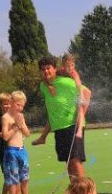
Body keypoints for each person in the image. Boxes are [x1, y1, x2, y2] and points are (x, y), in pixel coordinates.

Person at [31, 56, 86, 184]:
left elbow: (86, 93)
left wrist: (81, 115)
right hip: (58, 128)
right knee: (68, 162)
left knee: (75, 161)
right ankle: (75, 191)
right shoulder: (43, 86)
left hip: (72, 126)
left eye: (48, 68)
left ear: (55, 69)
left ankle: (86, 192)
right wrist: (49, 85)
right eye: (43, 69)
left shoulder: (67, 83)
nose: (46, 71)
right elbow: (45, 80)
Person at [0, 90, 36, 194]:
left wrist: (22, 125)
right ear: (11, 102)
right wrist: (15, 127)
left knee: (25, 178)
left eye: (22, 106)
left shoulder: (20, 116)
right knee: (13, 180)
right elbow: (5, 137)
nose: (20, 108)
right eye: (18, 105)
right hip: (11, 151)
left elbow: (27, 134)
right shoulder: (5, 117)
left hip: (22, 150)